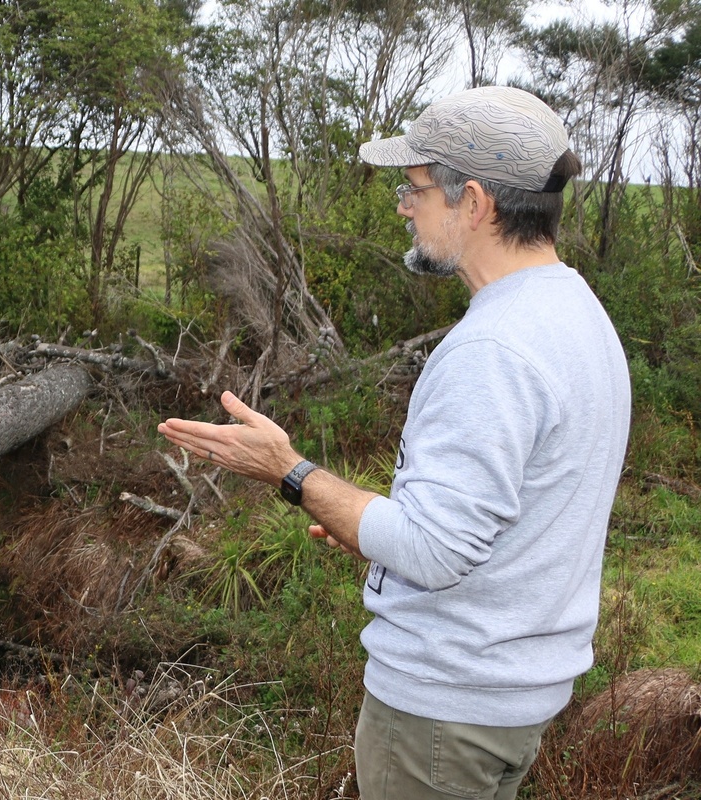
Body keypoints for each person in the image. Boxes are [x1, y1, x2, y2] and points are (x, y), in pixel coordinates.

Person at [157, 86, 630, 800]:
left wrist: (287, 471)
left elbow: (437, 553)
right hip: (508, 703)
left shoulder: (494, 349)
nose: (404, 208)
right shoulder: (575, 312)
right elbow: (503, 519)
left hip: (443, 713)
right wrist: (377, 532)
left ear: (474, 204)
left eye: (414, 190)